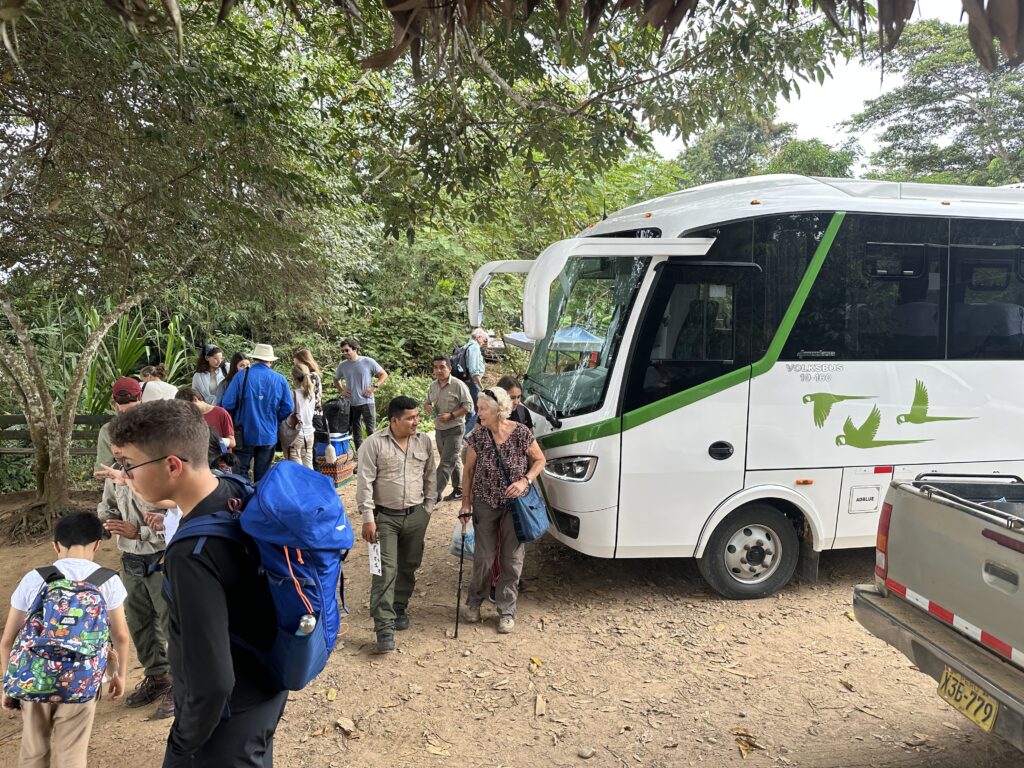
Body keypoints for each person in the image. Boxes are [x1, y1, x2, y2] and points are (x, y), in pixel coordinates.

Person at [108, 399, 287, 768]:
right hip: (266, 684)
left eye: (128, 465)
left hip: (225, 722)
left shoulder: (190, 554)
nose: (125, 476)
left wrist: (181, 745)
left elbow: (213, 683)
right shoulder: (236, 490)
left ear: (173, 465)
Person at [1, 512, 130, 768]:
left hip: (34, 676)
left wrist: (8, 683)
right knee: (71, 754)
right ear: (97, 544)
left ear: (56, 545)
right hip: (82, 680)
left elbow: (7, 639)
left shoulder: (35, 578)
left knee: (33, 750)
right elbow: (121, 635)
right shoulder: (108, 580)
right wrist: (119, 675)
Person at [459, 386, 545, 634]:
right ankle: (475, 601)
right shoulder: (477, 436)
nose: (478, 413)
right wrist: (466, 503)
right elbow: (468, 471)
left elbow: (540, 460)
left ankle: (506, 610)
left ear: (498, 410)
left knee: (512, 559)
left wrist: (525, 481)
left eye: (483, 409)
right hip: (485, 502)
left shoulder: (521, 432)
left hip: (515, 505)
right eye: (478, 408)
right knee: (484, 558)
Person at [356, 396, 436, 653]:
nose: (416, 422)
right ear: (394, 420)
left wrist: (427, 509)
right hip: (384, 519)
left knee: (409, 565)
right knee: (384, 571)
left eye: (417, 417)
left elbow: (430, 476)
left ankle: (399, 607)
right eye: (410, 418)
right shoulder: (373, 444)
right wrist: (368, 519)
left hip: (416, 515)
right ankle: (384, 628)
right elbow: (365, 483)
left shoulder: (423, 441)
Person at [97, 466, 174, 719]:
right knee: (138, 620)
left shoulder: (162, 471)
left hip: (162, 557)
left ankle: (182, 684)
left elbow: (178, 518)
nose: (118, 454)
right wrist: (107, 522)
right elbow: (107, 505)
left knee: (173, 621)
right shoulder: (115, 474)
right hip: (130, 558)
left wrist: (140, 532)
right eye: (115, 450)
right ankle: (158, 676)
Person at [219, 343, 292, 481]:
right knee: (263, 476)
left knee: (240, 473)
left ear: (254, 359)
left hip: (244, 433)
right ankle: (259, 495)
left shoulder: (241, 376)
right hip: (268, 434)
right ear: (270, 361)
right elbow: (288, 406)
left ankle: (243, 494)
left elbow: (227, 403)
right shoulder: (280, 379)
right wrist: (275, 419)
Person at [423, 355, 473, 501]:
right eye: (435, 367)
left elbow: (469, 406)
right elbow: (427, 402)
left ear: (449, 368)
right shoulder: (433, 386)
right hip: (439, 429)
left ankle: (432, 495)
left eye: (442, 367)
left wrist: (451, 415)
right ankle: (459, 489)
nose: (438, 370)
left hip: (455, 428)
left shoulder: (458, 385)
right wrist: (427, 406)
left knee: (445, 463)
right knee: (452, 459)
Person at [333, 338, 387, 452]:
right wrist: (341, 390)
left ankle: (375, 456)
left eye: (347, 350)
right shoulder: (343, 365)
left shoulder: (367, 361)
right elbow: (336, 379)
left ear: (355, 349)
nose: (344, 353)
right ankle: (361, 456)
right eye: (342, 351)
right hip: (351, 403)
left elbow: (383, 374)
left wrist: (374, 387)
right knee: (356, 433)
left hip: (367, 401)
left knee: (371, 431)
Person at [95, 377, 144, 473]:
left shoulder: (108, 429)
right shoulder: (155, 423)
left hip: (122, 476)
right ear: (140, 396)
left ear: (115, 401)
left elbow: (103, 469)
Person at [286, 363, 315, 468]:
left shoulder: (292, 394)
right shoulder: (311, 393)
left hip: (296, 434)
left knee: (297, 468)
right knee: (308, 465)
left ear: (294, 379)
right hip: (310, 433)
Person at [462, 328, 488, 435]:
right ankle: (466, 436)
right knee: (479, 410)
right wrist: (481, 386)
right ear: (479, 337)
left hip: (466, 382)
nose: (484, 342)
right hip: (472, 383)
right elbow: (473, 371)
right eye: (484, 339)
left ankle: (463, 434)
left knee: (470, 410)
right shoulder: (474, 348)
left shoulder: (466, 346)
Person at [292, 349, 324, 430]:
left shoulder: (311, 376)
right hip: (312, 414)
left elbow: (308, 396)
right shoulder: (313, 375)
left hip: (313, 414)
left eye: (297, 364)